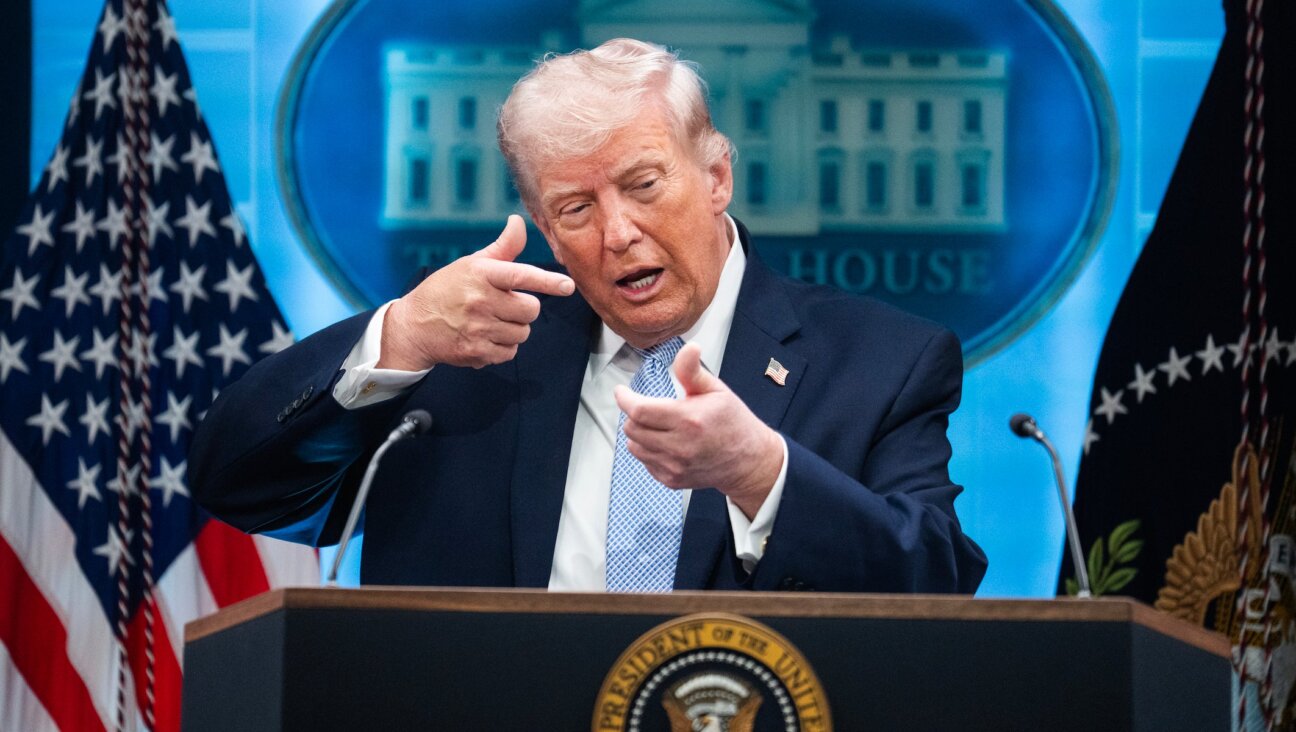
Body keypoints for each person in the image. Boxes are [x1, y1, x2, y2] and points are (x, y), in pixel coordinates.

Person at [189, 38, 986, 593]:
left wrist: (761, 476)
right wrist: (399, 336)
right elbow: (240, 486)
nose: (617, 233)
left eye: (643, 186)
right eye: (575, 207)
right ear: (543, 229)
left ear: (715, 177)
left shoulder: (882, 362)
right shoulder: (467, 358)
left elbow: (936, 586)